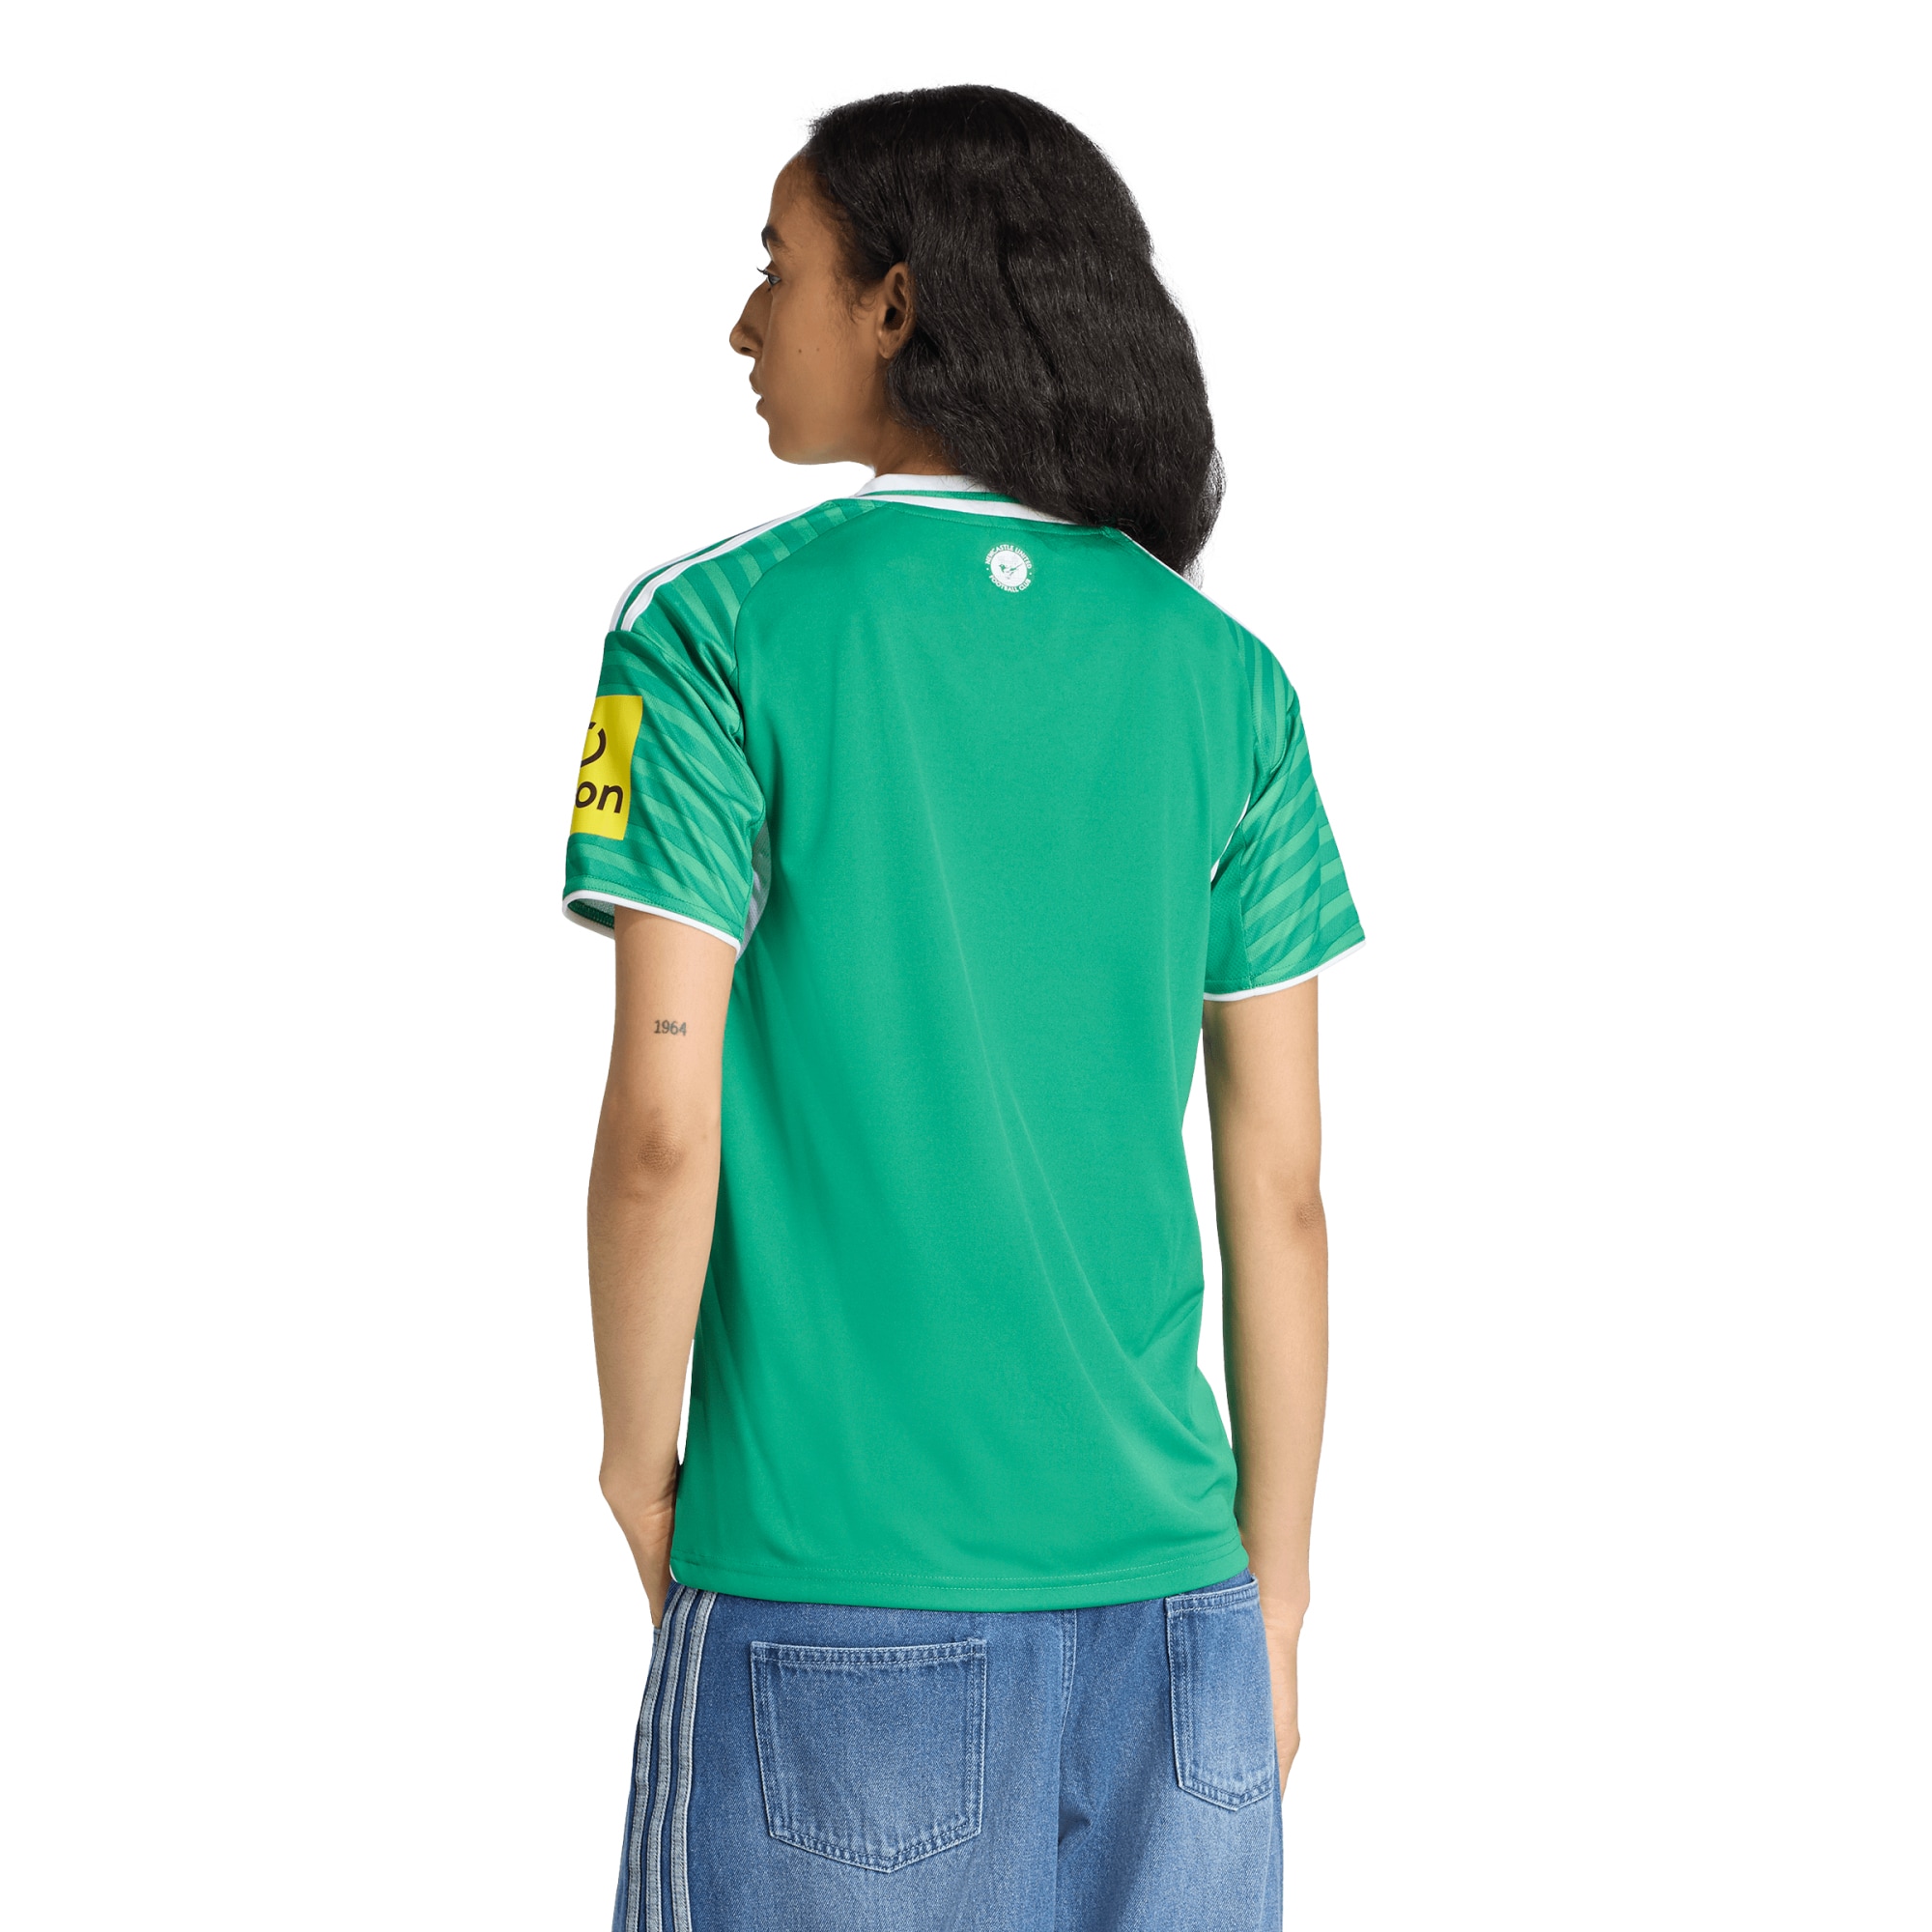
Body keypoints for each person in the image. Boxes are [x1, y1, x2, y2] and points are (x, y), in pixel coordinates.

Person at [563, 85, 1363, 1932]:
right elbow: (1284, 1190)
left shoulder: (709, 632)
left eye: (779, 271)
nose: (745, 324)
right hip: (1182, 1622)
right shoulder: (1228, 678)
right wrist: (1276, 1600)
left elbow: (662, 1129)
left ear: (897, 307)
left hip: (833, 1577)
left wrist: (634, 1464)